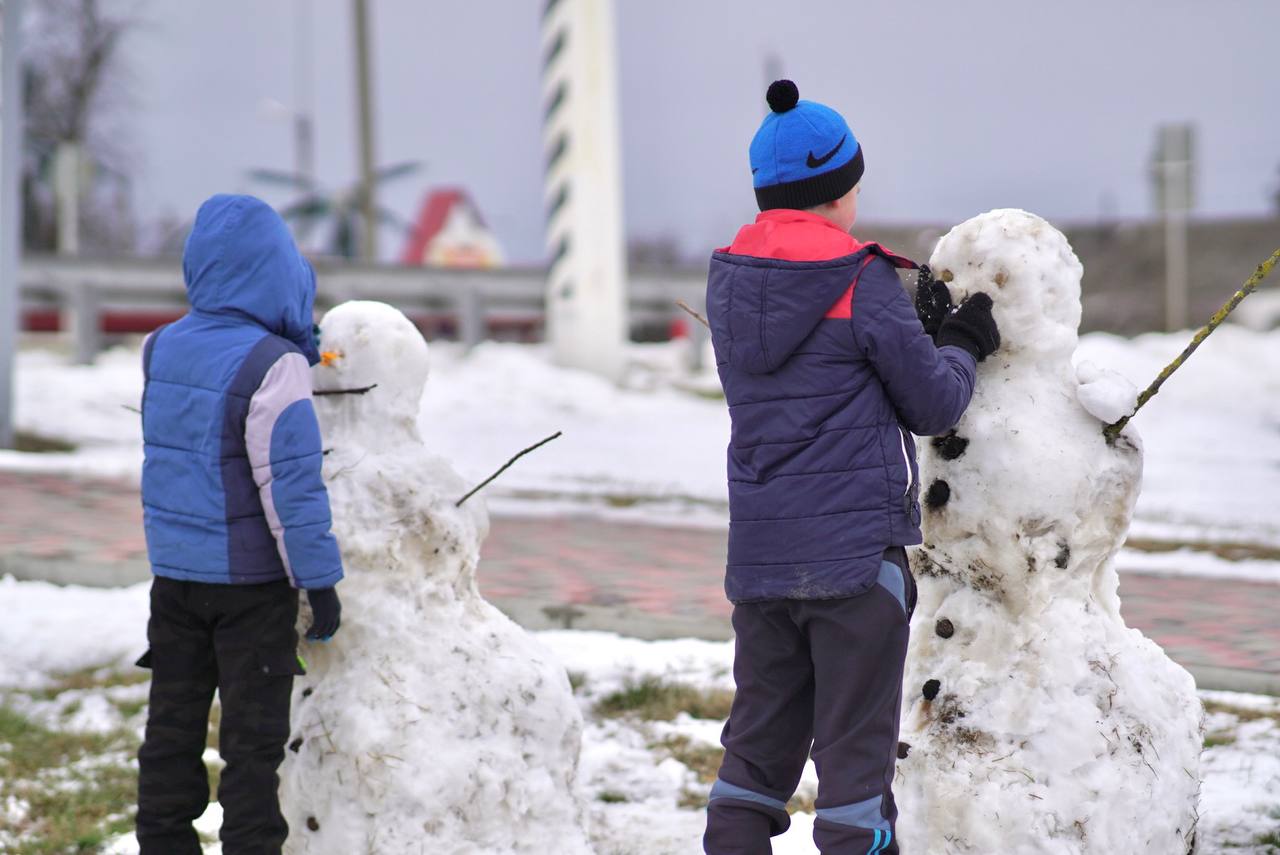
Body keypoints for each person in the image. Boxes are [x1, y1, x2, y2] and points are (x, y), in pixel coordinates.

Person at [702, 81, 1000, 855]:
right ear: (836, 192)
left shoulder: (730, 280)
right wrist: (963, 342)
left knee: (753, 764)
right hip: (853, 567)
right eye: (854, 182)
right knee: (854, 774)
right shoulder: (861, 279)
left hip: (762, 565)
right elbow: (933, 404)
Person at [134, 194, 344, 855]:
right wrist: (321, 581)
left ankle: (162, 843)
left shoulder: (160, 347)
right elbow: (291, 489)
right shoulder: (272, 364)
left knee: (171, 731)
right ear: (278, 272)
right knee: (252, 749)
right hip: (252, 590)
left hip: (172, 582)